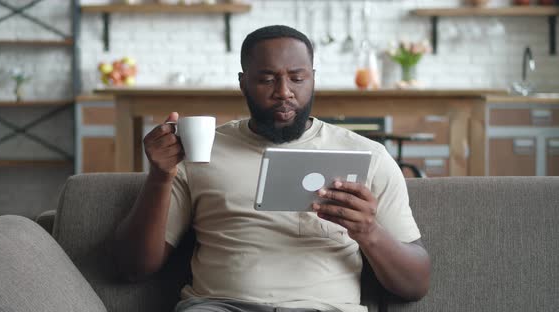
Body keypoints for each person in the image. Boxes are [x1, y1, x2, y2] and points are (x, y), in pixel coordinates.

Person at [114, 25, 430, 312]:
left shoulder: (368, 156)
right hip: (219, 307)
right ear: (243, 83)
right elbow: (134, 267)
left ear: (313, 78)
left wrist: (369, 233)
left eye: (297, 77)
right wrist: (159, 176)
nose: (283, 91)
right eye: (267, 79)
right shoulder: (199, 153)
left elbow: (415, 285)